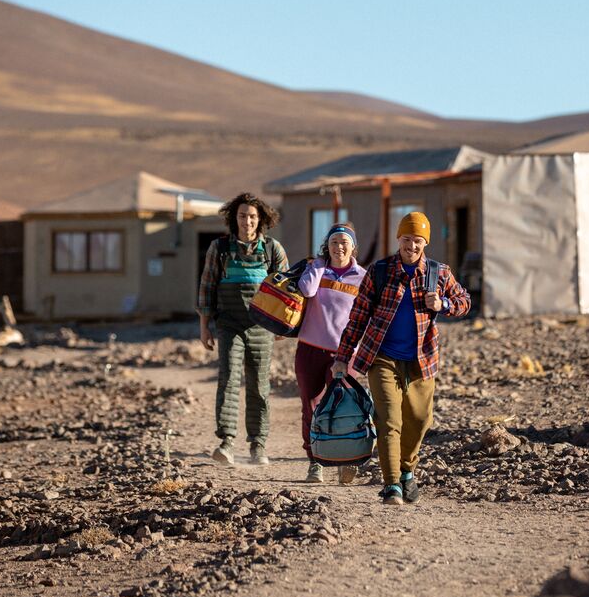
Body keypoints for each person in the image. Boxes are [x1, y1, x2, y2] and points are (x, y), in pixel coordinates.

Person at [332, 211, 471, 505]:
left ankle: (408, 471)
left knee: (419, 420)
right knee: (389, 420)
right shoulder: (379, 271)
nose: (412, 246)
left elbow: (465, 302)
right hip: (382, 357)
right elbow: (357, 317)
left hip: (421, 361)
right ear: (399, 239)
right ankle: (392, 483)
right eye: (407, 239)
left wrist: (444, 303)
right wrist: (343, 357)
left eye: (418, 240)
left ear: (425, 243)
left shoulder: (439, 273)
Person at [198, 192, 288, 466]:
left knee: (259, 387)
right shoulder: (220, 248)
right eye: (241, 215)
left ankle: (258, 445)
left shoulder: (273, 249)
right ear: (233, 218)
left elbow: (287, 292)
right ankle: (226, 442)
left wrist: (284, 325)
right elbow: (207, 287)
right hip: (228, 325)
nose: (246, 221)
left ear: (260, 219)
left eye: (251, 216)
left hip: (262, 330)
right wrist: (204, 325)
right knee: (228, 380)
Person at [295, 223, 367, 484]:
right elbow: (307, 290)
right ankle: (315, 462)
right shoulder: (317, 269)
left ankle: (345, 463)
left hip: (343, 354)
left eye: (344, 242)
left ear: (353, 246)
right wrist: (318, 265)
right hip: (309, 351)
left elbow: (367, 316)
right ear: (328, 246)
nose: (339, 247)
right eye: (334, 242)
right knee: (311, 407)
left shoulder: (362, 277)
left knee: (342, 409)